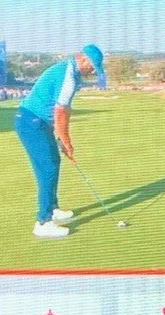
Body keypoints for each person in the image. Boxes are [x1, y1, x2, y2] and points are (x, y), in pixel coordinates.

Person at [15, 44, 106, 239]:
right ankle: (43, 221)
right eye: (92, 67)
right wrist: (66, 141)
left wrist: (62, 137)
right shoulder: (68, 77)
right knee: (47, 168)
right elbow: (60, 113)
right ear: (83, 60)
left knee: (53, 163)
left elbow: (64, 111)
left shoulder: (70, 71)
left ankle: (53, 208)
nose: (92, 71)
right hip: (31, 122)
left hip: (37, 121)